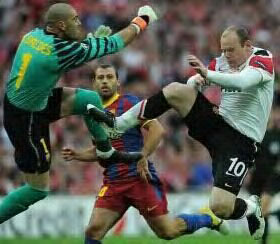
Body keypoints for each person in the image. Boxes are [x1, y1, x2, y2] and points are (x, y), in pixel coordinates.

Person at [89, 25, 275, 240]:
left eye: (231, 50)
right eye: (223, 50)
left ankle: (251, 208)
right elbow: (194, 83)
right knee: (177, 90)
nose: (226, 55)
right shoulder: (222, 63)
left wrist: (208, 74)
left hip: (241, 141)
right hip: (218, 124)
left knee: (220, 207)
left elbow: (243, 82)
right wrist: (197, 81)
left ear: (248, 46)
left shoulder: (262, 59)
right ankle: (118, 124)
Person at [1, 3, 158, 224]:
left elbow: (67, 51)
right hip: (25, 120)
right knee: (38, 189)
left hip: (33, 100)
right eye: (75, 20)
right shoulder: (58, 52)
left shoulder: (33, 35)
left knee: (89, 100)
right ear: (61, 25)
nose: (79, 23)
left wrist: (87, 43)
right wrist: (142, 20)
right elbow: (115, 43)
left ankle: (105, 151)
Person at [62, 64, 228, 244]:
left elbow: (157, 130)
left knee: (168, 232)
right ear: (93, 83)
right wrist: (78, 154)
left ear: (118, 82)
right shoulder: (92, 112)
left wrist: (143, 156)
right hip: (113, 181)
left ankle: (208, 217)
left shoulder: (128, 103)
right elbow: (103, 151)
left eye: (109, 77)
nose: (105, 81)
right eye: (100, 78)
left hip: (139, 177)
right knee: (93, 231)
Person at [247, 107, 280, 244]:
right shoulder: (262, 135)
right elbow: (252, 157)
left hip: (273, 178)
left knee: (264, 210)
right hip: (259, 178)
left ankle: (263, 241)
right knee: (259, 211)